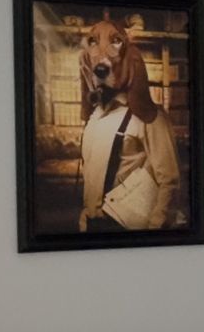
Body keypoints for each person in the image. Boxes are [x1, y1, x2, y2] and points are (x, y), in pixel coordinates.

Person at [77, 17, 179, 231]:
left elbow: (169, 181)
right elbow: (91, 173)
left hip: (129, 228)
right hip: (93, 228)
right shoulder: (94, 118)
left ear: (129, 59)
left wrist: (154, 230)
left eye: (115, 41)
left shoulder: (151, 118)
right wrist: (87, 214)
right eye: (93, 41)